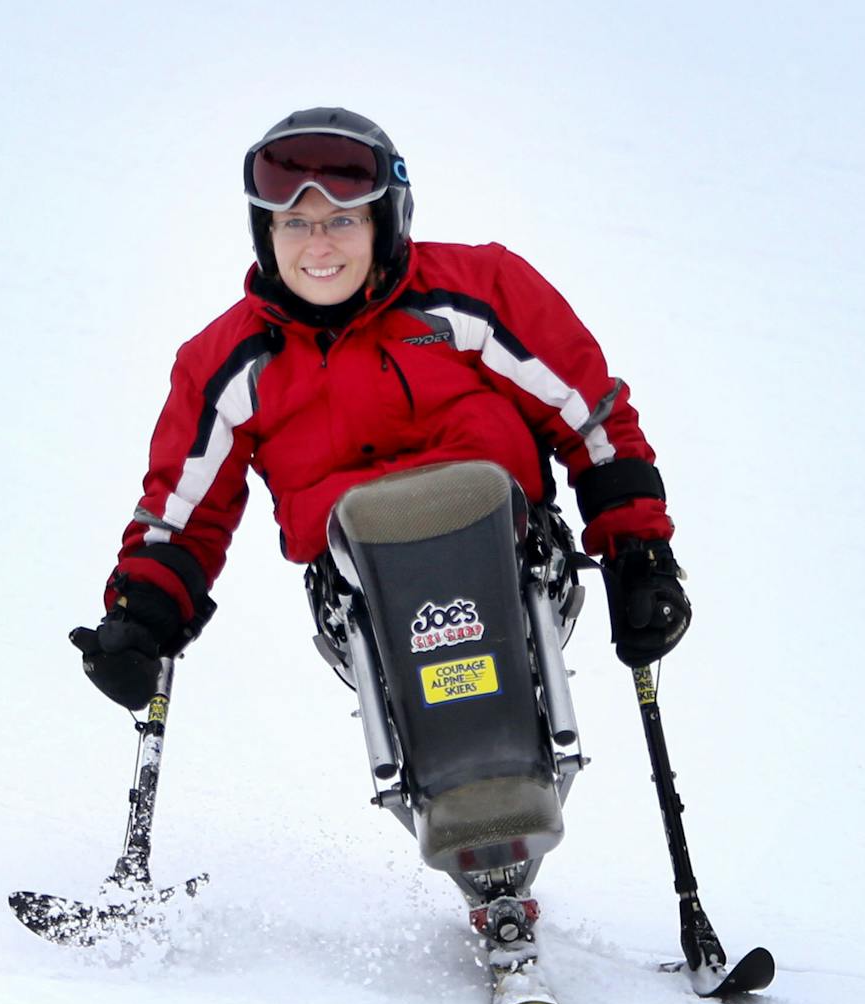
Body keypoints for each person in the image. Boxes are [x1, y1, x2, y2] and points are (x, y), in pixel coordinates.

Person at [75, 105, 688, 710]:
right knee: (367, 562)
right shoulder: (228, 362)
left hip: (511, 548)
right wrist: (141, 618)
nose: (317, 245)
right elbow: (185, 511)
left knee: (488, 533)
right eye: (294, 223)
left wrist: (640, 552)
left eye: (341, 219)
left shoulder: (475, 292)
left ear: (384, 221)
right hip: (358, 585)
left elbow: (587, 415)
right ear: (266, 234)